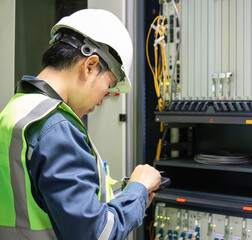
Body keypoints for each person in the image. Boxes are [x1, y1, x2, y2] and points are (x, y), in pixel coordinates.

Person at [0, 9, 161, 240]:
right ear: (90, 66)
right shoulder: (55, 129)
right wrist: (139, 191)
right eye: (108, 88)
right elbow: (95, 235)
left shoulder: (16, 110)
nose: (101, 101)